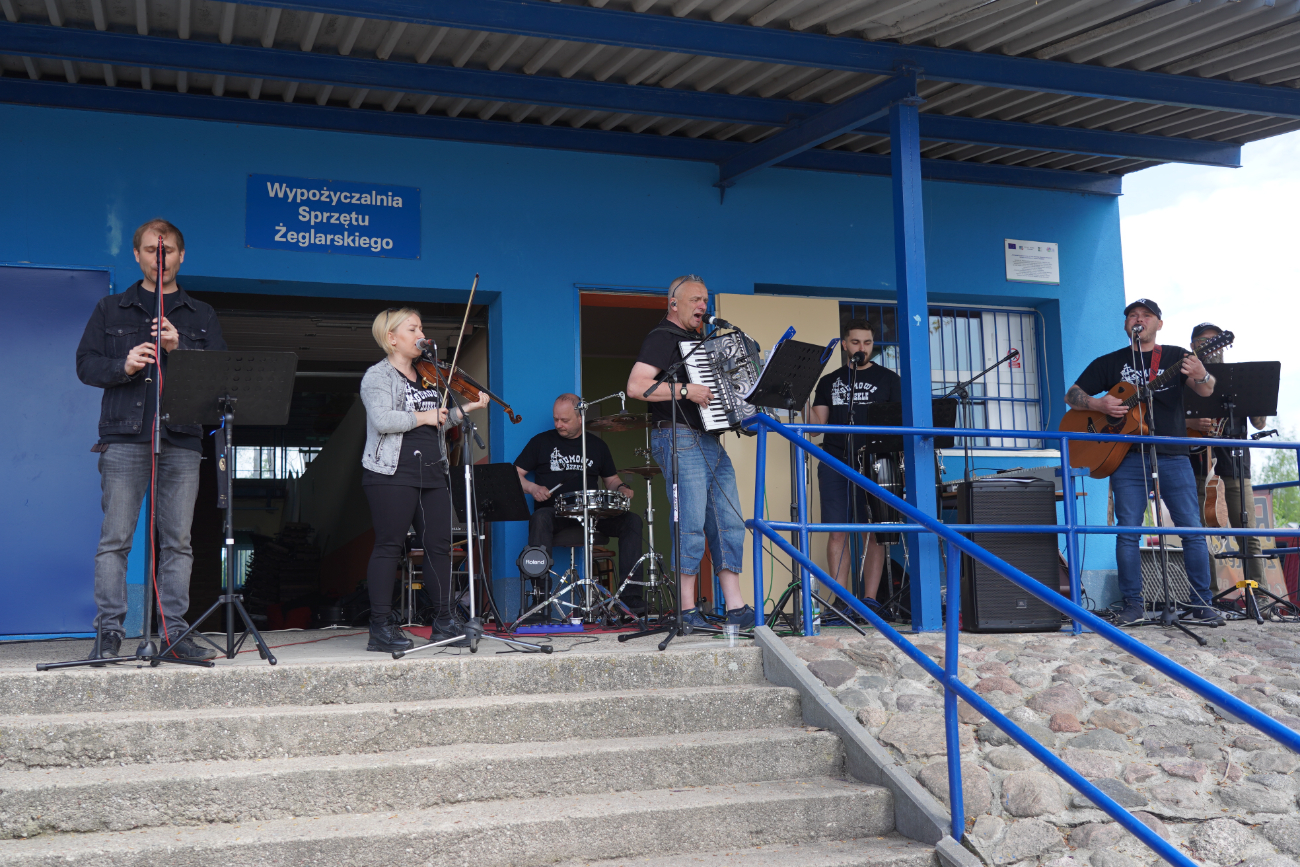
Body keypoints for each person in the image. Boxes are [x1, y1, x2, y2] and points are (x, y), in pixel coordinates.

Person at [76, 219, 225, 662]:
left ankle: (174, 635)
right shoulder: (110, 308)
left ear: (181, 256)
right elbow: (85, 365)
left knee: (178, 541)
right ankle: (109, 633)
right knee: (116, 539)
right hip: (124, 437)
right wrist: (123, 366)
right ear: (137, 255)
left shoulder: (202, 314)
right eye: (150, 251)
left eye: (168, 251)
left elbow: (220, 378)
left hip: (181, 438)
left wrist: (181, 351)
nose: (160, 259)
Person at [1065, 299, 1221, 626]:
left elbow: (1206, 390)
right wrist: (1098, 404)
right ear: (1126, 325)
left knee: (1192, 529)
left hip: (1172, 454)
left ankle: (1201, 603)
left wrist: (1203, 374)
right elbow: (1072, 395)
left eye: (1146, 315)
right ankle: (1133, 605)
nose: (1139, 319)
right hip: (1126, 457)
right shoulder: (1109, 362)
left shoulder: (1177, 356)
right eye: (1133, 315)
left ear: (1158, 324)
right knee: (1128, 532)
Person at [626, 275, 755, 631]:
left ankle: (736, 607)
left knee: (728, 522)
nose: (703, 305)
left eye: (705, 300)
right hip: (678, 436)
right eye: (695, 299)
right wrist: (686, 390)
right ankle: (686, 609)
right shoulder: (662, 337)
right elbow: (636, 386)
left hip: (709, 439)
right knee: (691, 523)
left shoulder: (701, 342)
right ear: (673, 303)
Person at [359, 307, 490, 653]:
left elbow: (438, 421)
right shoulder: (377, 376)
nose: (421, 334)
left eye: (421, 327)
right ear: (391, 338)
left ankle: (444, 622)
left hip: (432, 472)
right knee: (390, 546)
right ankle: (380, 627)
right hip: (391, 473)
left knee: (439, 547)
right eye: (413, 328)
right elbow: (383, 420)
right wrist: (426, 415)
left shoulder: (428, 376)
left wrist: (468, 409)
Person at [515, 394, 645, 614]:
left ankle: (630, 598)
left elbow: (611, 480)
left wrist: (622, 488)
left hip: (592, 514)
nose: (558, 424)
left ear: (580, 418)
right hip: (556, 513)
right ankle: (540, 598)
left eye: (564, 420)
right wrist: (532, 488)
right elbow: (515, 475)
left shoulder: (596, 445)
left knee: (632, 521)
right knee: (539, 517)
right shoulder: (541, 442)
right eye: (556, 419)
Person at [810, 319, 902, 610]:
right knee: (837, 531)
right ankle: (842, 601)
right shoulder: (830, 381)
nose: (862, 348)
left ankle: (869, 600)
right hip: (835, 461)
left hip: (876, 462)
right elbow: (815, 429)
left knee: (872, 531)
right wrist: (799, 398)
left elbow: (899, 425)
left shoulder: (889, 379)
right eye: (855, 342)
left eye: (867, 342)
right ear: (844, 344)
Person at [1185, 322, 1269, 586]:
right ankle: (1207, 596)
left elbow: (1260, 424)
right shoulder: (1184, 378)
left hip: (1236, 464)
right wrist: (1190, 423)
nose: (1211, 346)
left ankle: (1258, 593)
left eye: (1216, 340)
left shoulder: (1238, 377)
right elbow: (1166, 419)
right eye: (1204, 341)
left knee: (1247, 532)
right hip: (1197, 465)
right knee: (1200, 534)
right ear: (1193, 346)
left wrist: (1256, 395)